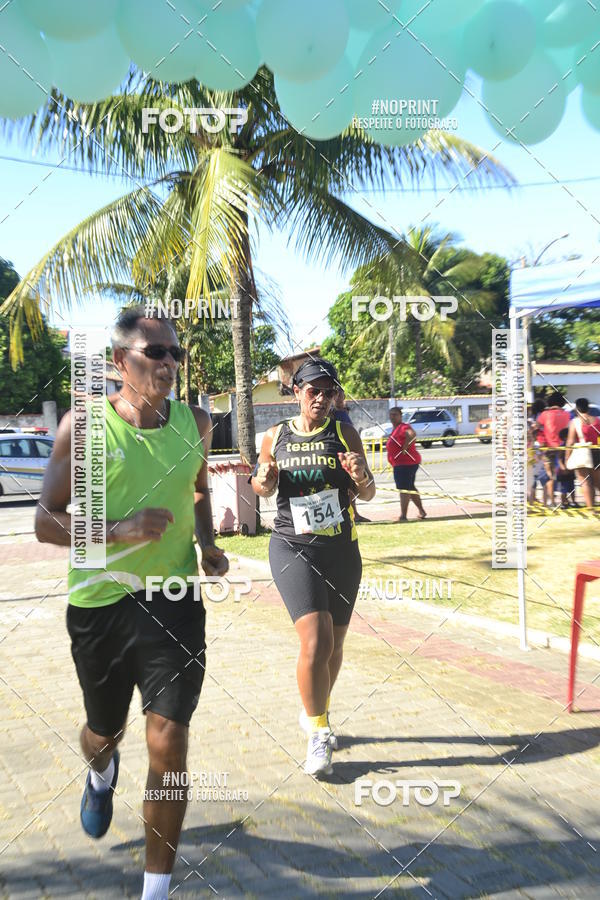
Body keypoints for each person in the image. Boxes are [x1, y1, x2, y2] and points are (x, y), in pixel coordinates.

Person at [35, 307, 228, 900]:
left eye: (177, 354)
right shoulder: (83, 426)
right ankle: (99, 771)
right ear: (121, 362)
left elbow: (198, 489)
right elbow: (45, 522)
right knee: (104, 731)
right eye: (156, 353)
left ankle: (156, 889)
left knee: (169, 736)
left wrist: (207, 544)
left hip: (172, 600)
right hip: (99, 604)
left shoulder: (195, 422)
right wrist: (118, 529)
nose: (169, 363)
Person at [251, 358, 375, 777]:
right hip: (292, 548)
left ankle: (314, 709)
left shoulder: (343, 432)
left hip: (342, 551)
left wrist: (360, 476)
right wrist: (265, 480)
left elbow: (370, 492)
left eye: (328, 391)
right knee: (316, 641)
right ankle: (319, 733)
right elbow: (261, 486)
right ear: (296, 392)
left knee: (335, 647)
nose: (321, 398)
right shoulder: (276, 435)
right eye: (312, 391)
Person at [331, 388, 369, 523]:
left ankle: (354, 513)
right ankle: (350, 514)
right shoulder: (334, 413)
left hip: (350, 453)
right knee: (346, 487)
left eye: (342, 396)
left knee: (352, 485)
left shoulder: (343, 412)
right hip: (341, 454)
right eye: (338, 396)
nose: (341, 398)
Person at [387, 406, 426, 521]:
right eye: (391, 414)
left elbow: (412, 434)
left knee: (404, 489)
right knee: (410, 487)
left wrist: (406, 447)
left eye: (395, 415)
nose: (392, 417)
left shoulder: (403, 427)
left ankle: (403, 516)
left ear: (400, 416)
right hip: (402, 463)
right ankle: (422, 511)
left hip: (405, 464)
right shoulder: (395, 429)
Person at [536, 391, 570, 507]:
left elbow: (536, 427)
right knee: (564, 475)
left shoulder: (545, 414)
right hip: (564, 447)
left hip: (548, 448)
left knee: (550, 475)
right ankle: (564, 500)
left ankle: (552, 501)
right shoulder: (566, 414)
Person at [565, 397, 600, 508]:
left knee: (585, 481)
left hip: (582, 453)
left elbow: (570, 441)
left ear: (577, 408)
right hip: (596, 452)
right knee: (597, 482)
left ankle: (591, 508)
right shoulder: (597, 420)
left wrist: (567, 457)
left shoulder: (575, 422)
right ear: (588, 407)